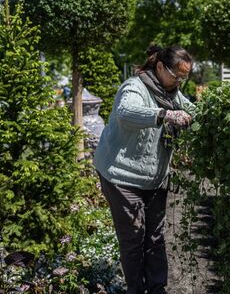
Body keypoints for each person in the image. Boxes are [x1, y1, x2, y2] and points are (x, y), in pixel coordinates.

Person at [93, 45, 196, 294]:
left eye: (185, 77)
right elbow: (125, 113)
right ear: (160, 67)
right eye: (177, 75)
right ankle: (136, 290)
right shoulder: (134, 87)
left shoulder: (171, 92)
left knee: (155, 238)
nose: (180, 81)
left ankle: (157, 288)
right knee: (133, 239)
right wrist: (165, 115)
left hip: (154, 179)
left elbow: (192, 110)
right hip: (121, 176)